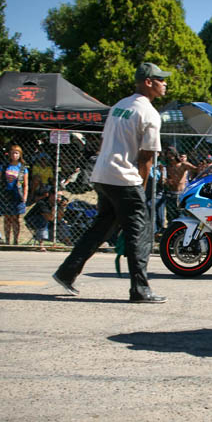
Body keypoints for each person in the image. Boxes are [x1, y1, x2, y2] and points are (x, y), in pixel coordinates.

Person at [52, 62, 171, 303]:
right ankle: (140, 289)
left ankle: (67, 272)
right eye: (160, 79)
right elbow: (147, 158)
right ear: (148, 82)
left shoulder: (118, 107)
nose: (165, 83)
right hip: (124, 178)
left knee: (101, 227)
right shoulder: (149, 114)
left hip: (103, 175)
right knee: (141, 232)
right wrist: (142, 187)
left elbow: (105, 141)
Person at [0, 144, 29, 245]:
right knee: (7, 218)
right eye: (13, 153)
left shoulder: (22, 168)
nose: (14, 155)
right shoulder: (5, 166)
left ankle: (16, 240)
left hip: (17, 194)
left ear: (20, 155)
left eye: (17, 153)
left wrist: (25, 196)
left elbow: (25, 184)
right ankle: (7, 240)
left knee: (15, 218)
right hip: (6, 194)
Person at [25, 185, 71, 250]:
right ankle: (41, 245)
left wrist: (61, 207)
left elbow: (59, 218)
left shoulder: (59, 202)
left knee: (62, 222)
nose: (60, 199)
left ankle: (69, 244)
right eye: (58, 196)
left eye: (61, 196)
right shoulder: (42, 203)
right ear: (51, 195)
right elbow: (49, 218)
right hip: (33, 219)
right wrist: (54, 208)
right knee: (43, 220)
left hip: (50, 219)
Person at [164, 147, 197, 222]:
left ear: (175, 154)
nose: (170, 156)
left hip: (180, 194)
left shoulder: (183, 165)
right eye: (168, 154)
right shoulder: (168, 166)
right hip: (170, 193)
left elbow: (196, 169)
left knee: (182, 216)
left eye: (171, 154)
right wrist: (167, 181)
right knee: (170, 216)